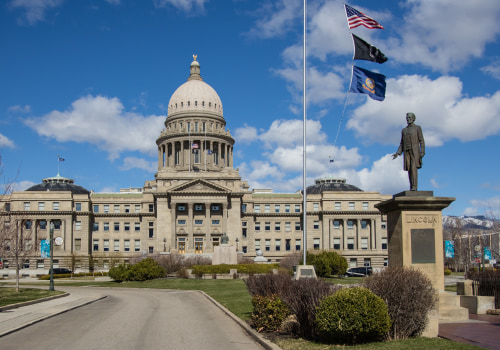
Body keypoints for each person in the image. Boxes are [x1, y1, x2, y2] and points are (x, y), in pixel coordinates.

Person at [393, 113, 425, 191]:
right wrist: (398, 153)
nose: (408, 119)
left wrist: (422, 152)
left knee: (414, 168)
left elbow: (421, 141)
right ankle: (411, 186)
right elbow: (402, 143)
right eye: (407, 117)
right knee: (409, 169)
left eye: (410, 117)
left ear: (413, 118)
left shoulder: (417, 128)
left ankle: (414, 187)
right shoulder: (404, 130)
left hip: (415, 152)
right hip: (407, 152)